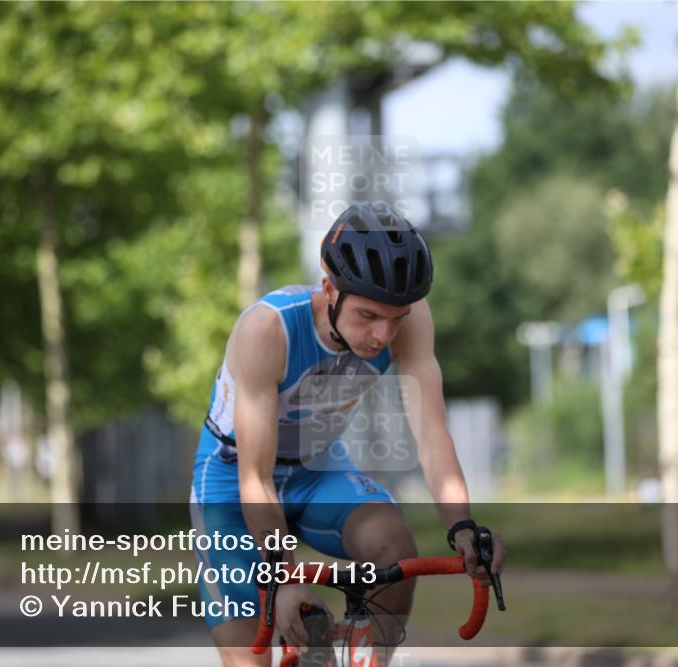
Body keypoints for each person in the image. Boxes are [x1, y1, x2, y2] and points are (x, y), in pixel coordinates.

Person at [189, 202, 506, 666]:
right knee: (248, 656)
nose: (382, 335)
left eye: (396, 318)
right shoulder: (267, 329)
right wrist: (285, 576)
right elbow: (255, 477)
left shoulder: (412, 321)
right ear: (329, 289)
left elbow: (433, 435)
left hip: (317, 468)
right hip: (234, 478)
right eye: (368, 315)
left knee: (394, 546)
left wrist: (462, 526)